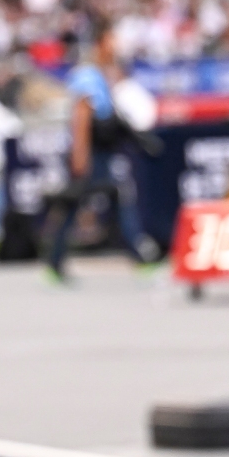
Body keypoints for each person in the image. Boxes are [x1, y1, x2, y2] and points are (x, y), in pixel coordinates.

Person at [44, 29, 151, 283]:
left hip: (100, 151)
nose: (116, 49)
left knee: (113, 200)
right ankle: (55, 261)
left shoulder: (101, 75)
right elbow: (81, 117)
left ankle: (136, 255)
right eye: (112, 42)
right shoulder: (87, 76)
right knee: (78, 204)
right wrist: (80, 157)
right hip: (91, 153)